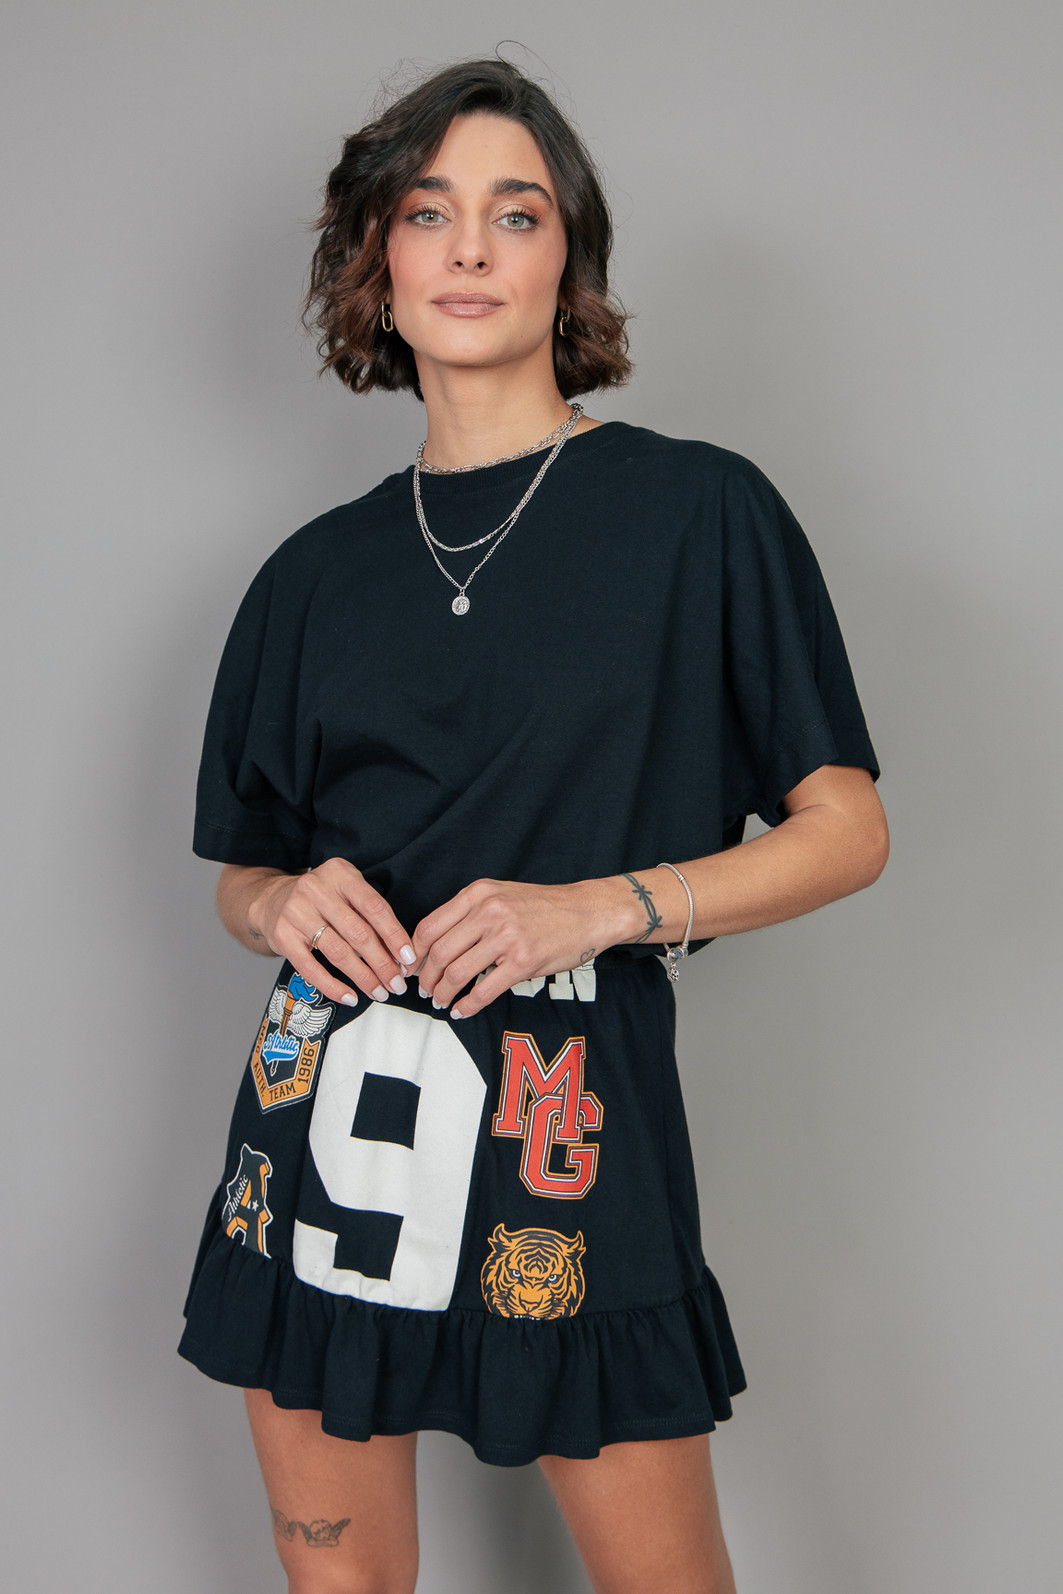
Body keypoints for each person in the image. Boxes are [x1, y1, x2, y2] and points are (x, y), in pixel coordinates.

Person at [179, 55, 888, 1594]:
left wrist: (604, 904)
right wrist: (277, 906)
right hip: (322, 1132)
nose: (471, 249)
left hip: (573, 1131)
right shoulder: (308, 577)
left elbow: (847, 825)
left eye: (517, 212)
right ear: (376, 256)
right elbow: (247, 865)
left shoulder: (700, 513)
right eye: (428, 212)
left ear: (572, 257)